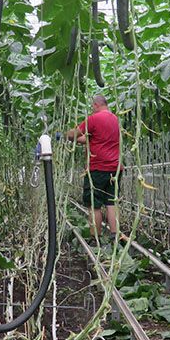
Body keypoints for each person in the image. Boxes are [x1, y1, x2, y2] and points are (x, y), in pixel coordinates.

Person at [66, 94, 121, 244]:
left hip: (98, 168)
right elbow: (89, 139)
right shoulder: (116, 119)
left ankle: (94, 238)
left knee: (94, 204)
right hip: (115, 168)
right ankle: (115, 235)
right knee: (111, 201)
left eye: (92, 106)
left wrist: (64, 135)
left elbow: (75, 134)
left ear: (96, 105)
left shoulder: (94, 119)